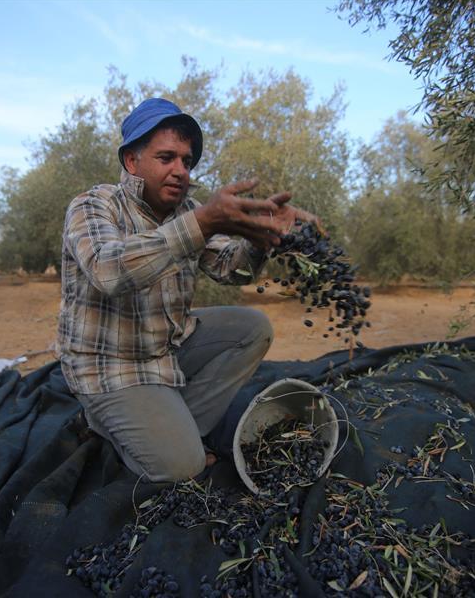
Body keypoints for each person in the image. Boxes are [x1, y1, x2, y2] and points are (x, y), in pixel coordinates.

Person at [56, 98, 315, 482]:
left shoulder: (185, 212)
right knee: (182, 468)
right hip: (109, 366)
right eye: (166, 158)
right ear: (132, 161)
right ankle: (107, 421)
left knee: (252, 329)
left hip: (164, 350)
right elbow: (107, 270)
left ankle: (176, 427)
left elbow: (231, 270)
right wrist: (202, 222)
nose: (181, 171)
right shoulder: (94, 205)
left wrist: (264, 239)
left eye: (187, 161)